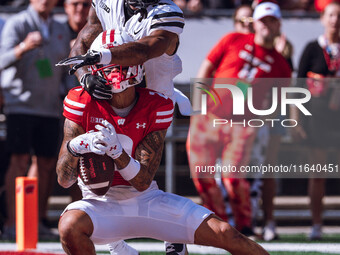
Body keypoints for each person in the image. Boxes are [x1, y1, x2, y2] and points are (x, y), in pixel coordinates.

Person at [56, 29, 269, 255]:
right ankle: (131, 244)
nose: (115, 71)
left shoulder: (157, 105)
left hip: (146, 200)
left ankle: (173, 238)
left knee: (226, 233)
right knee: (70, 226)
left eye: (120, 62)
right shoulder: (82, 101)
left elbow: (142, 181)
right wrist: (76, 146)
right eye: (109, 63)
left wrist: (117, 153)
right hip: (101, 204)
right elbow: (64, 179)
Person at [58, 0, 190, 253]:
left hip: (153, 86)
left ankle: (170, 226)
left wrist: (102, 56)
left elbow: (145, 49)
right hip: (108, 75)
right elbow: (83, 41)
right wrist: (86, 75)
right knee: (94, 156)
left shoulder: (166, 12)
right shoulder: (106, 2)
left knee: (141, 167)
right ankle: (115, 242)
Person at [187, 1, 292, 239]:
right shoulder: (232, 39)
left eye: (271, 21)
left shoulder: (281, 65)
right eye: (262, 20)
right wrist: (197, 110)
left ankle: (244, 226)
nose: (266, 25)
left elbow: (279, 102)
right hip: (209, 117)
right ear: (254, 23)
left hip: (242, 126)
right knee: (202, 177)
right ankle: (216, 223)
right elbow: (206, 69)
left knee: (233, 179)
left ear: (278, 26)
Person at [0, 0, 70, 240]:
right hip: (20, 105)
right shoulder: (17, 23)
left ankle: (36, 222)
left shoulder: (61, 28)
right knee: (19, 161)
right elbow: (1, 61)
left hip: (51, 108)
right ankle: (12, 222)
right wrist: (23, 47)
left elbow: (65, 73)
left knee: (48, 165)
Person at [294, 1, 340, 240]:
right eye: (331, 15)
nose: (335, 20)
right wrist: (296, 121)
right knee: (318, 172)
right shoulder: (313, 48)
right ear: (323, 18)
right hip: (317, 119)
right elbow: (298, 84)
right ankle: (316, 225)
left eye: (339, 15)